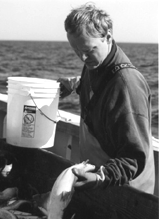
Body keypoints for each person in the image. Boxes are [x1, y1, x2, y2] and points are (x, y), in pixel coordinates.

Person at [58, 3, 155, 195]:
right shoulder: (96, 65)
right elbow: (101, 95)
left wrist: (99, 177)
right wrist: (75, 85)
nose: (83, 57)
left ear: (108, 37)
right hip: (100, 183)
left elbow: (134, 157)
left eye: (89, 50)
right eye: (76, 50)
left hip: (127, 191)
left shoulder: (126, 85)